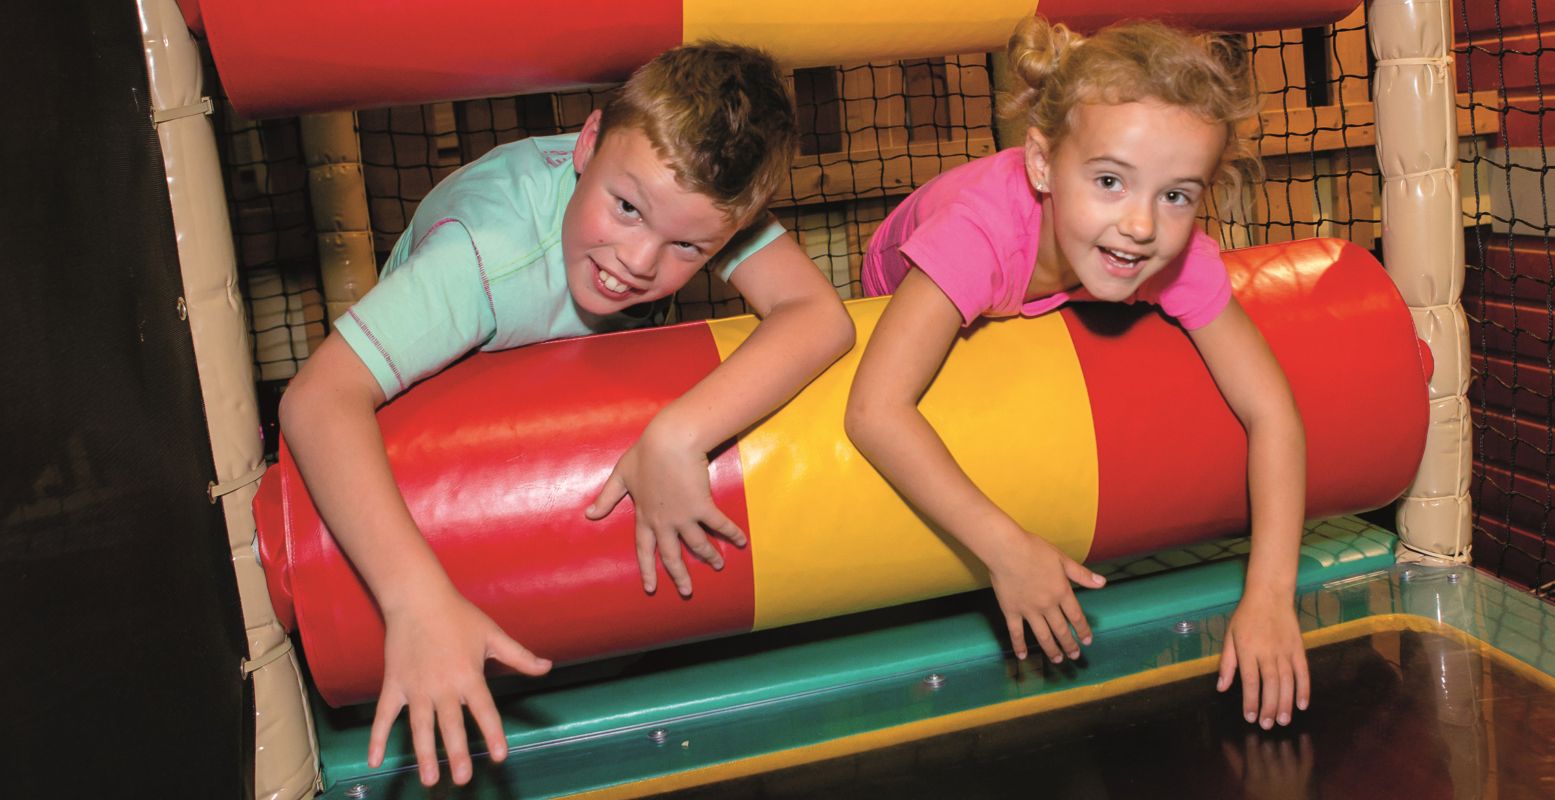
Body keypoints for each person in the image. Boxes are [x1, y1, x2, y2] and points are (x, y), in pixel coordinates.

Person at [278, 42, 854, 787]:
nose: (639, 262)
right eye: (625, 209)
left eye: (687, 248)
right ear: (585, 146)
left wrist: (680, 435)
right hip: (446, 441)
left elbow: (818, 317)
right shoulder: (486, 258)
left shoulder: (676, 187)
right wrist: (413, 602)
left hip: (564, 412)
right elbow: (317, 398)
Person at [844, 18, 1308, 732]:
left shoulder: (1170, 257)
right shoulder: (979, 236)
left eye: (1176, 195)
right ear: (1040, 164)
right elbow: (874, 409)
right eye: (1109, 181)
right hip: (894, 282)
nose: (1141, 225)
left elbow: (1271, 409)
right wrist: (1007, 548)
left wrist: (1271, 594)